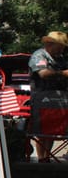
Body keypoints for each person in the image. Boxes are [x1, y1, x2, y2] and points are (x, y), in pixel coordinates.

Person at [28, 31, 68, 162]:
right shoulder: (39, 55)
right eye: (60, 46)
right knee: (43, 129)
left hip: (60, 98)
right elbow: (43, 73)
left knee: (52, 130)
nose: (62, 49)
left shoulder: (60, 58)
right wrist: (62, 73)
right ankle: (41, 158)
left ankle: (46, 158)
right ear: (50, 44)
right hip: (42, 98)